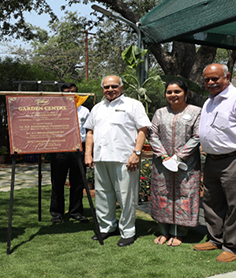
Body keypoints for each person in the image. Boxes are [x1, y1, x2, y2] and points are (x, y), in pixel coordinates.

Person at [194, 63, 236, 262]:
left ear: (227, 76)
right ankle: (215, 238)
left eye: (215, 78)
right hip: (212, 160)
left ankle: (232, 246)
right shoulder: (209, 101)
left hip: (233, 159)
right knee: (211, 201)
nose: (211, 82)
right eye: (207, 79)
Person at [84, 75, 151, 247]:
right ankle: (107, 227)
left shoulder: (133, 105)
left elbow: (142, 130)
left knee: (125, 196)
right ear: (102, 89)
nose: (110, 89)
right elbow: (90, 132)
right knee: (102, 194)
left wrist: (137, 153)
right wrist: (88, 154)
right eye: (106, 87)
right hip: (100, 158)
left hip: (125, 159)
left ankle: (128, 231)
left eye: (114, 86)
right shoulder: (97, 108)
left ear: (121, 88)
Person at [148, 80, 201, 247]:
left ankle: (179, 233)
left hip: (187, 164)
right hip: (162, 163)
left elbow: (197, 136)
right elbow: (153, 134)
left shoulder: (196, 112)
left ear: (186, 93)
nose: (173, 95)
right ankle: (164, 231)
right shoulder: (160, 112)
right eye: (169, 92)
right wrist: (164, 156)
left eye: (177, 91)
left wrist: (179, 157)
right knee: (162, 194)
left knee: (184, 195)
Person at [50, 83, 91, 224]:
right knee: (57, 182)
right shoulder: (53, 110)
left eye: (72, 92)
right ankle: (57, 214)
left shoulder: (84, 111)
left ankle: (76, 212)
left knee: (78, 182)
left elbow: (90, 131)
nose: (69, 95)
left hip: (78, 149)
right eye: (66, 92)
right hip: (59, 149)